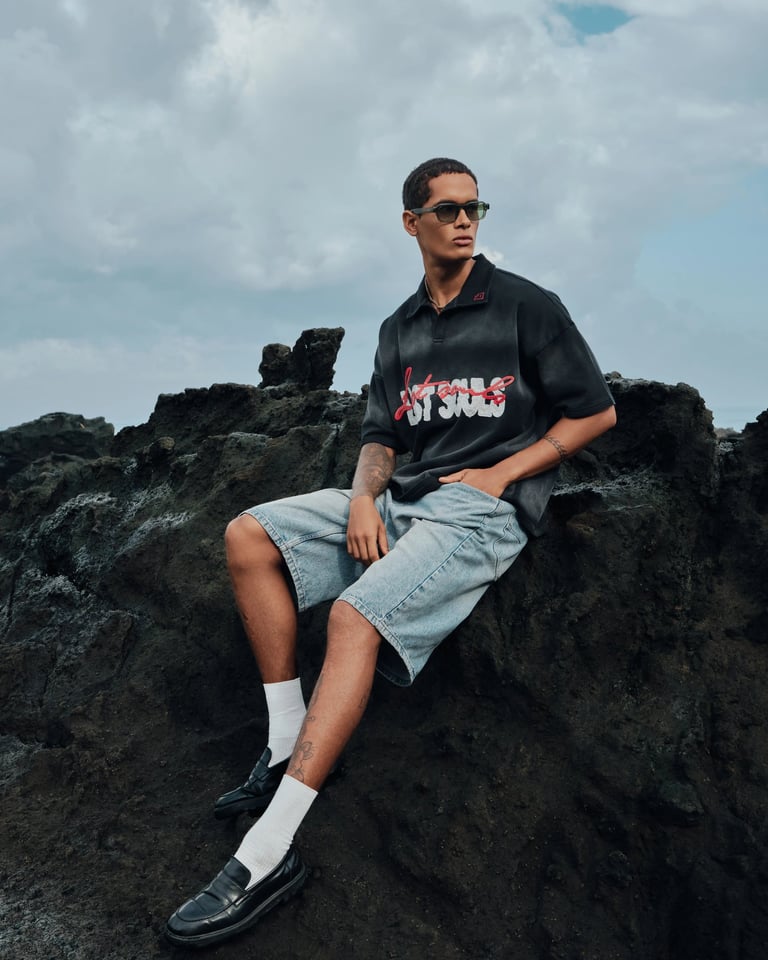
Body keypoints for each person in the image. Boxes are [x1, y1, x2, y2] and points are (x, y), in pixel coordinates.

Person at [165, 158, 617, 947]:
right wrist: (366, 499)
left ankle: (269, 852)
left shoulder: (526, 307)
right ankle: (284, 740)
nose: (466, 220)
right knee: (248, 535)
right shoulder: (399, 328)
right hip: (403, 499)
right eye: (447, 210)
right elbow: (381, 433)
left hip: (483, 512)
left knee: (353, 615)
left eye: (476, 207)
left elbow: (595, 413)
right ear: (411, 223)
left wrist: (501, 474)